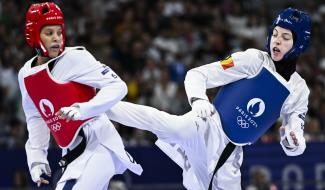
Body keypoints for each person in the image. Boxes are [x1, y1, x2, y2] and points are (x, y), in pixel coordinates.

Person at [74, 7, 310, 190]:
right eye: (275, 34)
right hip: (206, 125)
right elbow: (196, 75)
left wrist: (294, 141)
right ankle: (94, 101)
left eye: (286, 37)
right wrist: (199, 101)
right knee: (163, 122)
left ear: (299, 43)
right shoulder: (253, 60)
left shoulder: (299, 91)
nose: (276, 41)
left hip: (231, 156)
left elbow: (294, 140)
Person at [18, 2, 142, 190]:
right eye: (49, 33)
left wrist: (83, 109)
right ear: (34, 34)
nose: (56, 39)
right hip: (71, 153)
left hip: (100, 142)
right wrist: (36, 159)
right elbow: (36, 117)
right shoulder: (25, 74)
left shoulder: (75, 58)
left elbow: (118, 86)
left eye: (59, 32)